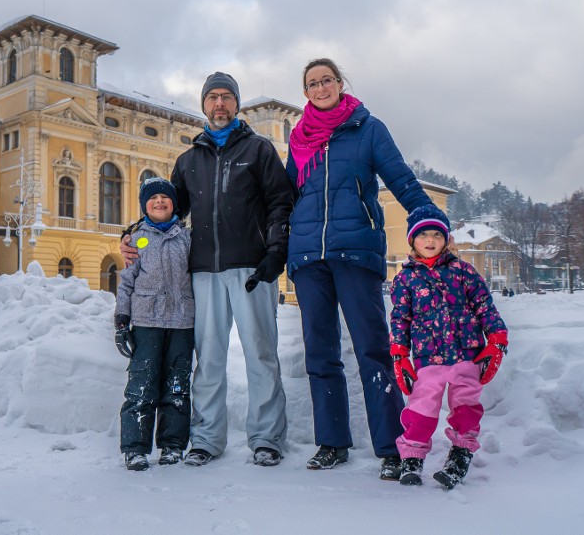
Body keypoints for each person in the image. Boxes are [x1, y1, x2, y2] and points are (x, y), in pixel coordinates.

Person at [120, 72, 294, 467]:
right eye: (213, 97)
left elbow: (281, 203)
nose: (220, 104)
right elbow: (165, 212)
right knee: (210, 357)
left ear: (236, 104)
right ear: (203, 105)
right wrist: (134, 237)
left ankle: (266, 438)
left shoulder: (259, 150)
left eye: (227, 97)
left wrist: (275, 254)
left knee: (261, 354)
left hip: (252, 268)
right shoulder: (188, 161)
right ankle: (207, 438)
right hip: (203, 271)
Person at [285, 58, 434, 480]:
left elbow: (402, 180)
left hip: (356, 252)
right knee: (321, 352)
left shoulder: (368, 128)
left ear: (340, 83)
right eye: (312, 83)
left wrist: (428, 220)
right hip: (309, 258)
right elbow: (283, 198)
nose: (320, 88)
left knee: (373, 349)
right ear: (306, 92)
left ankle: (392, 447)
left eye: (326, 80)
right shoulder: (298, 139)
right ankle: (332, 443)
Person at [390, 204, 509, 489]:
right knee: (421, 409)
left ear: (446, 239)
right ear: (412, 240)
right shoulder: (405, 278)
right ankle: (412, 459)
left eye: (436, 235)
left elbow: (484, 306)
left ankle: (459, 455)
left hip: (466, 355)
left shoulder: (463, 271)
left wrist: (497, 338)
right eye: (423, 236)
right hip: (428, 359)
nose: (430, 241)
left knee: (466, 408)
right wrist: (399, 353)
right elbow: (399, 318)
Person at [114, 177, 195, 471]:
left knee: (176, 386)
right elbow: (126, 284)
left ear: (174, 204)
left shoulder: (188, 239)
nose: (159, 202)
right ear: (144, 206)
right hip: (147, 322)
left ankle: (172, 445)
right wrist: (121, 321)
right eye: (153, 199)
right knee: (141, 385)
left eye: (165, 197)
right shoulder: (138, 240)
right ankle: (135, 448)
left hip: (182, 323)